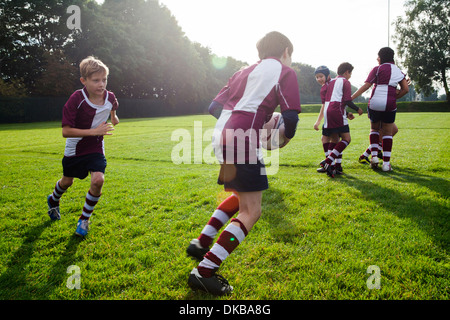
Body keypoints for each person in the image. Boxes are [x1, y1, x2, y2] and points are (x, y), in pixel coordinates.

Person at [186, 31, 301, 296]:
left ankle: (202, 242)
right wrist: (282, 137)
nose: (290, 60)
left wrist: (249, 121)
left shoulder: (241, 72)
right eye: (291, 55)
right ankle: (204, 271)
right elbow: (291, 118)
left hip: (222, 136)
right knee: (252, 211)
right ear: (285, 51)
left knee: (241, 197)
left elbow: (214, 107)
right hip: (243, 140)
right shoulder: (284, 71)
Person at [46, 56, 119, 237]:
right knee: (67, 182)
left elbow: (114, 105)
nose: (101, 84)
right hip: (75, 148)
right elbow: (66, 132)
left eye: (104, 80)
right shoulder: (76, 99)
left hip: (95, 147)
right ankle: (53, 200)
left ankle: (84, 219)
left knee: (98, 180)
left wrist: (114, 116)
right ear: (83, 81)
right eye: (96, 81)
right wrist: (94, 131)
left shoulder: (109, 96)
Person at [352, 47, 408, 171]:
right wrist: (394, 96)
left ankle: (374, 158)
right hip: (389, 103)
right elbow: (405, 89)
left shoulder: (376, 69)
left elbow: (366, 85)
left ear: (381, 57)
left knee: (374, 130)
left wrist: (351, 97)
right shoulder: (397, 70)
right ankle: (386, 164)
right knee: (388, 132)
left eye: (378, 56)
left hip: (375, 102)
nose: (377, 59)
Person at [319, 62, 363, 177]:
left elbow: (328, 96)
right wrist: (357, 109)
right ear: (346, 72)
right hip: (337, 111)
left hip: (328, 112)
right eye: (350, 73)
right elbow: (347, 100)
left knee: (334, 139)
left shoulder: (330, 82)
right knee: (346, 139)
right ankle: (328, 161)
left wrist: (347, 112)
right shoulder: (345, 82)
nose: (350, 76)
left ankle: (334, 168)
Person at [313, 66, 355, 174]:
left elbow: (327, 105)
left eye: (321, 76)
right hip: (334, 115)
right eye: (317, 77)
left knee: (329, 139)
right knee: (332, 140)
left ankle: (330, 165)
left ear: (328, 76)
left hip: (332, 116)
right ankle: (334, 166)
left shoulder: (328, 86)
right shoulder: (330, 85)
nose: (319, 79)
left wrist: (318, 121)